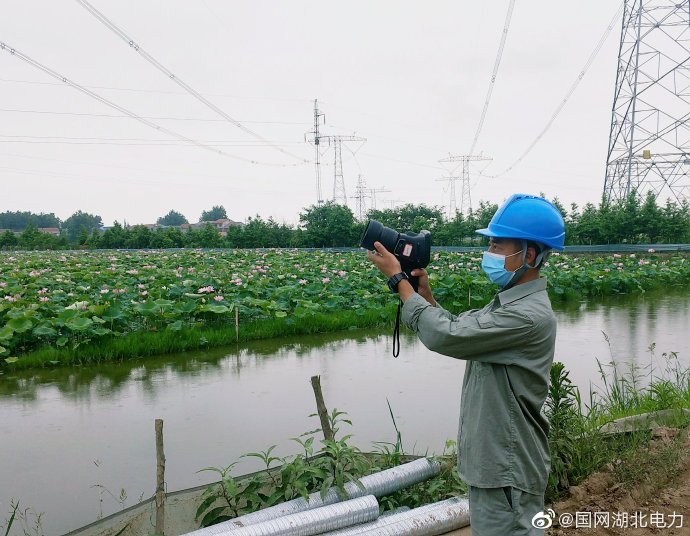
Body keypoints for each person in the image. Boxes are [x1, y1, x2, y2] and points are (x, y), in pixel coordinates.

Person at [367, 193, 565, 535]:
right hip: (498, 464)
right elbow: (463, 330)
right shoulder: (510, 303)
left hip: (506, 469)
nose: (489, 252)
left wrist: (399, 281)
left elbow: (448, 336)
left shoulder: (526, 316)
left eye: (497, 245)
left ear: (529, 255)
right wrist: (425, 296)